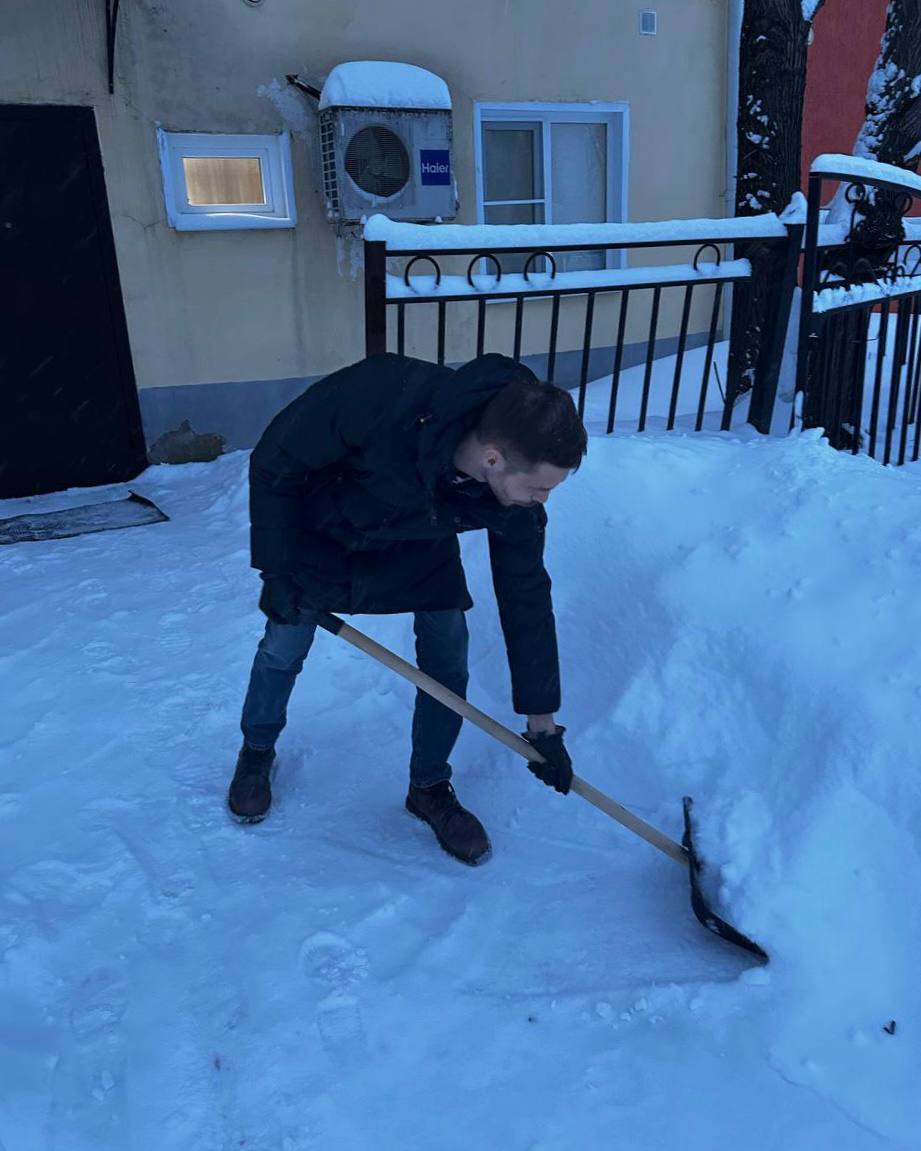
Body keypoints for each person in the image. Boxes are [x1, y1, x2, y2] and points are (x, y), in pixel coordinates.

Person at [228, 351, 587, 866]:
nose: (543, 499)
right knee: (283, 643)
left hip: (421, 542)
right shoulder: (381, 395)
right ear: (492, 458)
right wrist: (276, 569)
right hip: (325, 532)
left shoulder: (515, 500)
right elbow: (274, 462)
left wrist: (543, 726)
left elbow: (525, 593)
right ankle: (257, 751)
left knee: (448, 660)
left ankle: (429, 786)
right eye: (539, 487)